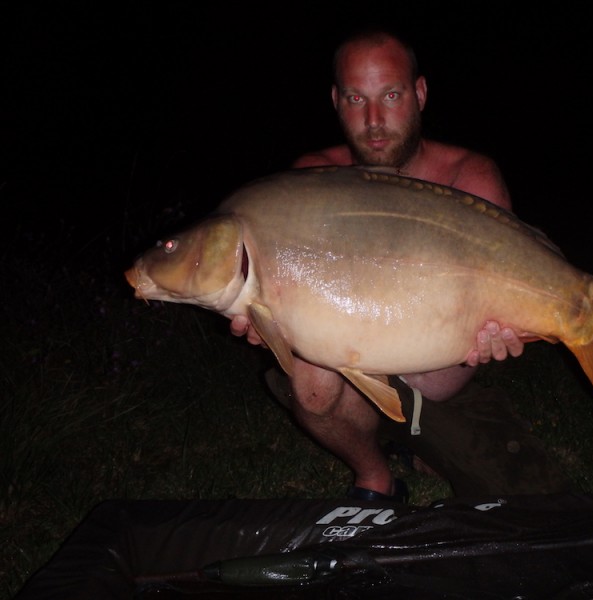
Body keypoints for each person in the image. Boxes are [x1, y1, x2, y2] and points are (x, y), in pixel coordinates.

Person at [230, 29, 565, 502]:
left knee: (529, 498)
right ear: (336, 101)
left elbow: (493, 309)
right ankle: (375, 474)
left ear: (420, 93)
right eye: (355, 98)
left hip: (438, 384)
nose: (374, 120)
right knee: (310, 381)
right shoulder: (310, 181)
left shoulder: (469, 178)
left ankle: (411, 436)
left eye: (390, 95)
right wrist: (267, 319)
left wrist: (504, 332)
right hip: (346, 375)